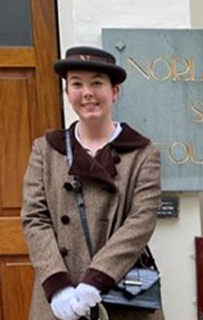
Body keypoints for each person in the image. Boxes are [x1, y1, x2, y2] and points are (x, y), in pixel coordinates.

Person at [21, 46, 164, 320]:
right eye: (76, 84)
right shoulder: (46, 150)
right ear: (67, 93)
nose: (87, 92)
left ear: (114, 91)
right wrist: (57, 285)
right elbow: (34, 218)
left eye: (97, 83)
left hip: (123, 294)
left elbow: (142, 219)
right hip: (59, 298)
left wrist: (96, 279)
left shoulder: (143, 152)